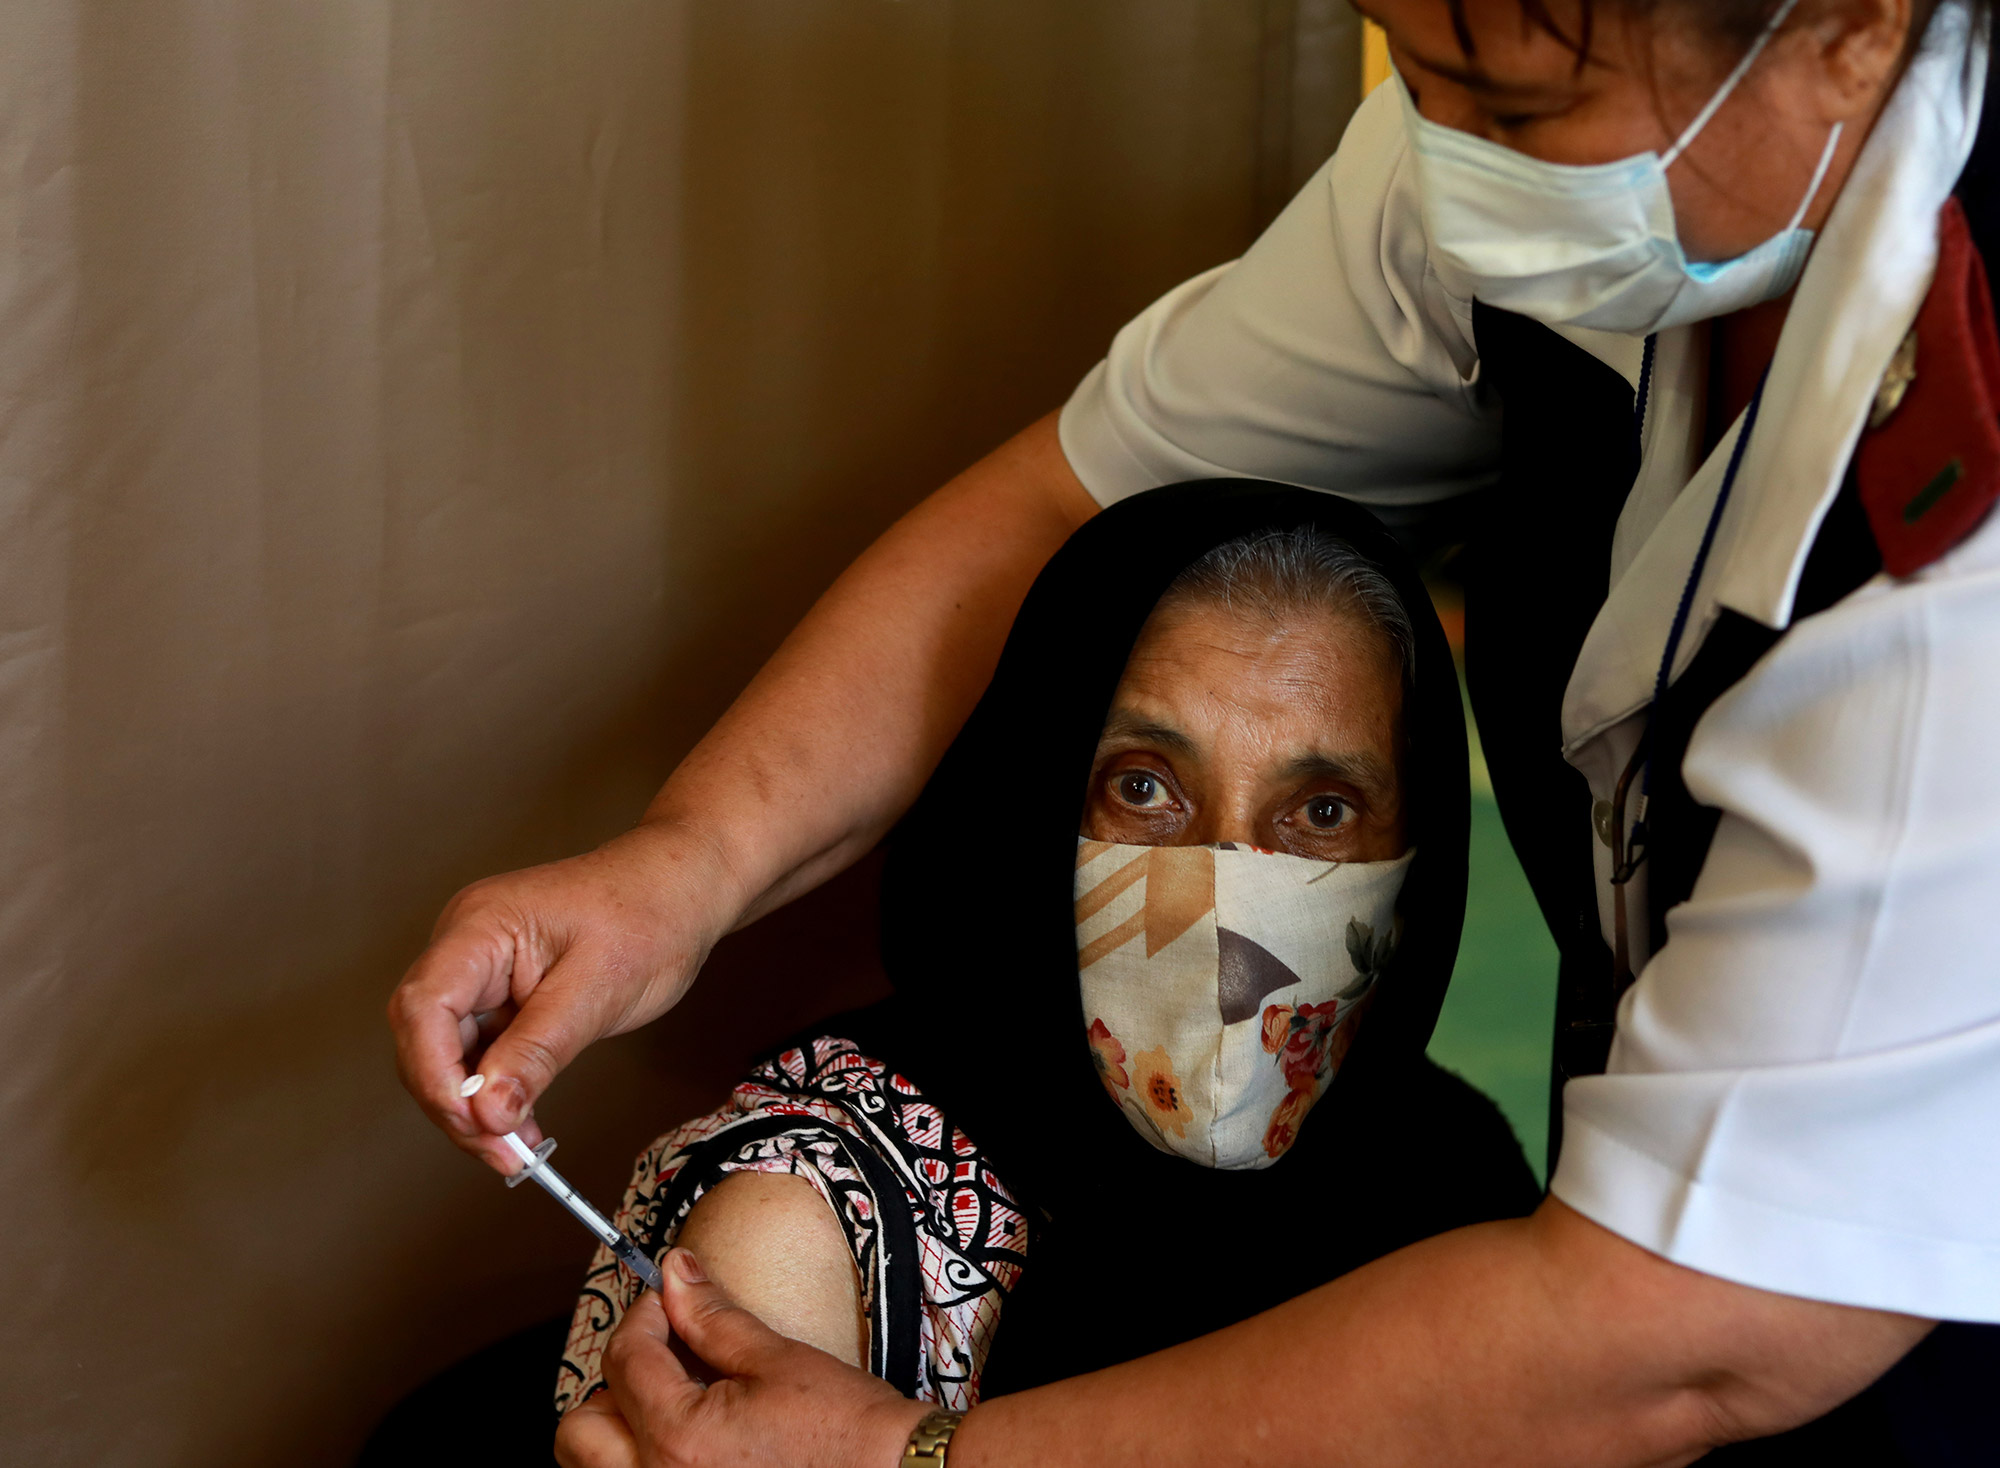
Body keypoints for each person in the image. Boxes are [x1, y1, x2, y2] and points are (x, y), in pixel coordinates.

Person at [389, 0, 2000, 1459]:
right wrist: (689, 863)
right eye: (1147, 784)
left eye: (1320, 815)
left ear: (1852, 30)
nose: (1445, 171)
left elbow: (1680, 1341)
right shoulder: (831, 1190)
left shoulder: (1955, 597)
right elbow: (1078, 498)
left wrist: (908, 1462)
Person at [549, 497, 1538, 1440]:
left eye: (1320, 810)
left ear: (1418, 851)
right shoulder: (817, 1220)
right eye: (1143, 787)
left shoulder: (1443, 1168)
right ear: (1029, 796)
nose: (1229, 894)